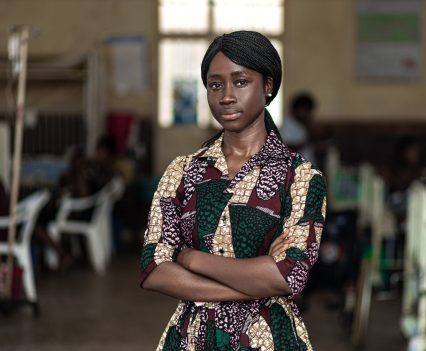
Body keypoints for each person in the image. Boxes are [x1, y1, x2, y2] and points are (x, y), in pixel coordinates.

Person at [140, 31, 327, 350]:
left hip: (268, 339)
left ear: (267, 86)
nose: (226, 95)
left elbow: (285, 276)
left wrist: (191, 259)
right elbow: (154, 268)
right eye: (215, 85)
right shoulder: (182, 171)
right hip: (192, 339)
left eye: (241, 82)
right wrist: (253, 284)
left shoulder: (299, 178)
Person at [280, 93, 318, 167]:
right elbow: (288, 148)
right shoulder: (287, 125)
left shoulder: (301, 124)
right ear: (297, 109)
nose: (307, 115)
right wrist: (307, 140)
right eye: (305, 111)